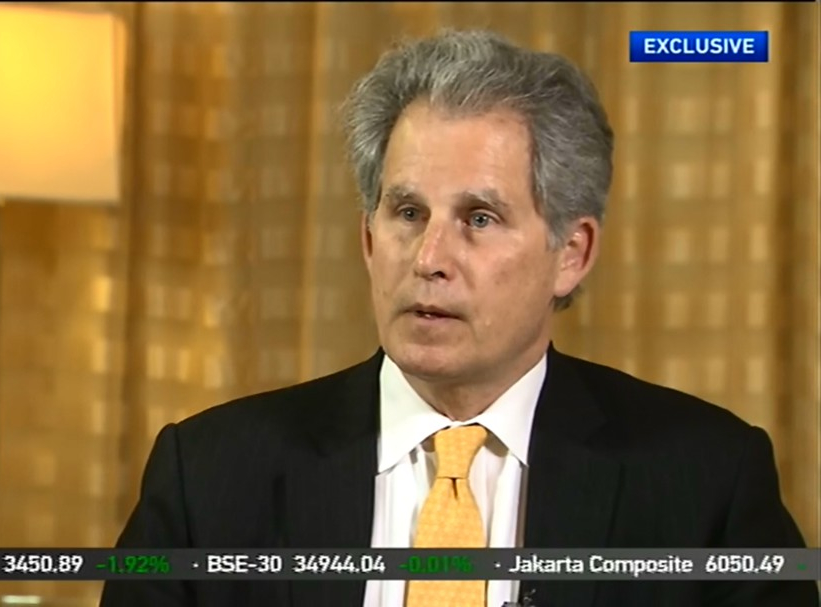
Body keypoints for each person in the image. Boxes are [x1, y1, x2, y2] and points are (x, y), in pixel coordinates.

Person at [100, 29, 818, 607]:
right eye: (408, 212)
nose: (430, 257)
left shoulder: (705, 483)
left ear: (571, 254)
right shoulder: (209, 476)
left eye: (479, 218)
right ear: (368, 239)